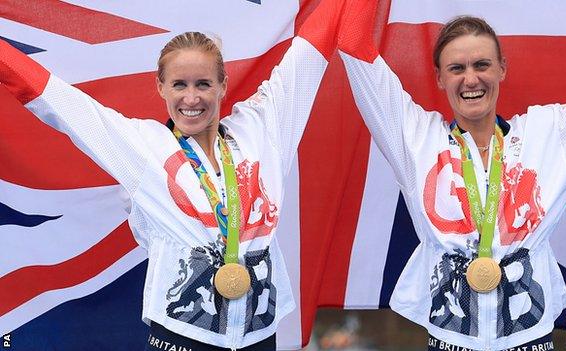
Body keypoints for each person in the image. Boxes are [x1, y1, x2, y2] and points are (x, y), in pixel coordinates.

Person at [0, 0, 345, 349]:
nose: (191, 98)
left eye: (204, 84)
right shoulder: (142, 148)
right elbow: (58, 101)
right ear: (161, 87)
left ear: (223, 85)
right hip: (183, 337)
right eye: (179, 84)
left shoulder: (263, 130)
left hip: (259, 337)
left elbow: (312, 51)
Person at [337, 1, 566, 350]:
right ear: (440, 78)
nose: (470, 79)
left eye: (482, 65)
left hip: (531, 340)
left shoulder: (550, 137)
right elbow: (352, 44)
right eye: (456, 68)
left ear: (502, 69)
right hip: (448, 340)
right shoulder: (416, 140)